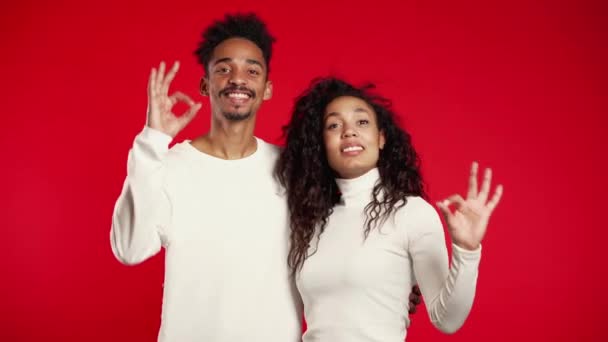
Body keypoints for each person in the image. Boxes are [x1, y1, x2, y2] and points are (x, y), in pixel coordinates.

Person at [110, 13, 302, 341]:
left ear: (267, 88)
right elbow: (129, 249)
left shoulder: (293, 170)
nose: (238, 79)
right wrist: (153, 140)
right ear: (205, 84)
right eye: (224, 68)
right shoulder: (167, 165)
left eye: (252, 70)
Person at [275, 77, 503, 341]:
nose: (349, 131)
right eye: (334, 125)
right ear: (321, 144)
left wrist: (467, 251)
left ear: (381, 138)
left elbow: (447, 320)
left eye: (362, 122)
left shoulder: (412, 213)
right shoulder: (308, 221)